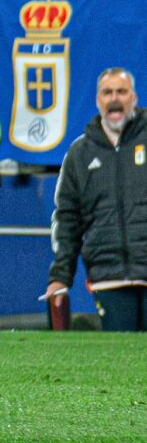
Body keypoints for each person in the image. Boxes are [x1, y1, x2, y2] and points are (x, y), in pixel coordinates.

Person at [47, 68, 147, 332]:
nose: (114, 98)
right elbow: (67, 219)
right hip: (109, 278)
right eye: (107, 92)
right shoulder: (79, 153)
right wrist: (60, 277)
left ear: (134, 98)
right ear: (97, 100)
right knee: (120, 355)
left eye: (121, 92)